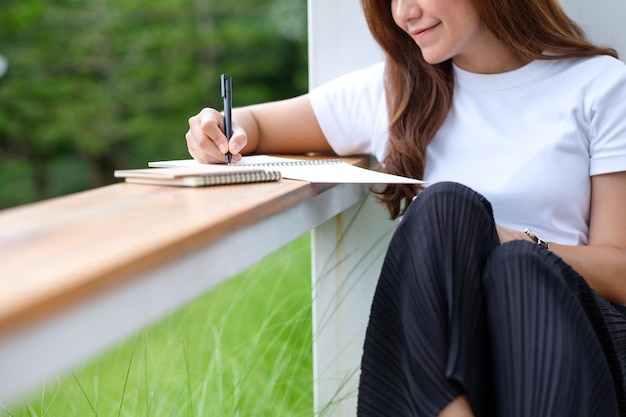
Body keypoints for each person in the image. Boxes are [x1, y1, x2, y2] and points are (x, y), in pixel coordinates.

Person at [186, 0, 626, 415]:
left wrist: (507, 240)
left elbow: (620, 271)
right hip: (454, 357)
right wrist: (220, 127)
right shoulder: (399, 92)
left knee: (517, 268)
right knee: (445, 205)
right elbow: (256, 124)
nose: (403, 13)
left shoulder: (599, 86)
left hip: (574, 349)